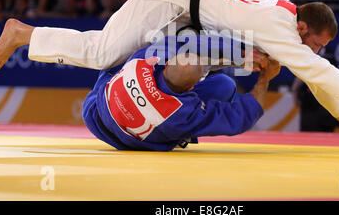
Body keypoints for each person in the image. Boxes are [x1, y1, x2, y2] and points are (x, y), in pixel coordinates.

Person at [0, 0, 339, 148]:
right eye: (315, 43)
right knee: (104, 52)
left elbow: (318, 77)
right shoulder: (282, 30)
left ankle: (168, 89)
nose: (314, 51)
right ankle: (25, 32)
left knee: (239, 58)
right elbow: (320, 71)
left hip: (192, 8)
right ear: (303, 29)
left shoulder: (283, 15)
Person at [81, 34, 279, 151]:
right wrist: (265, 77)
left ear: (166, 63)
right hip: (128, 141)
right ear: (191, 89)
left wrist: (240, 54)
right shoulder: (182, 114)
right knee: (224, 86)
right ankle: (181, 137)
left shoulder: (143, 59)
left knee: (115, 65)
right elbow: (240, 117)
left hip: (94, 114)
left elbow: (182, 42)